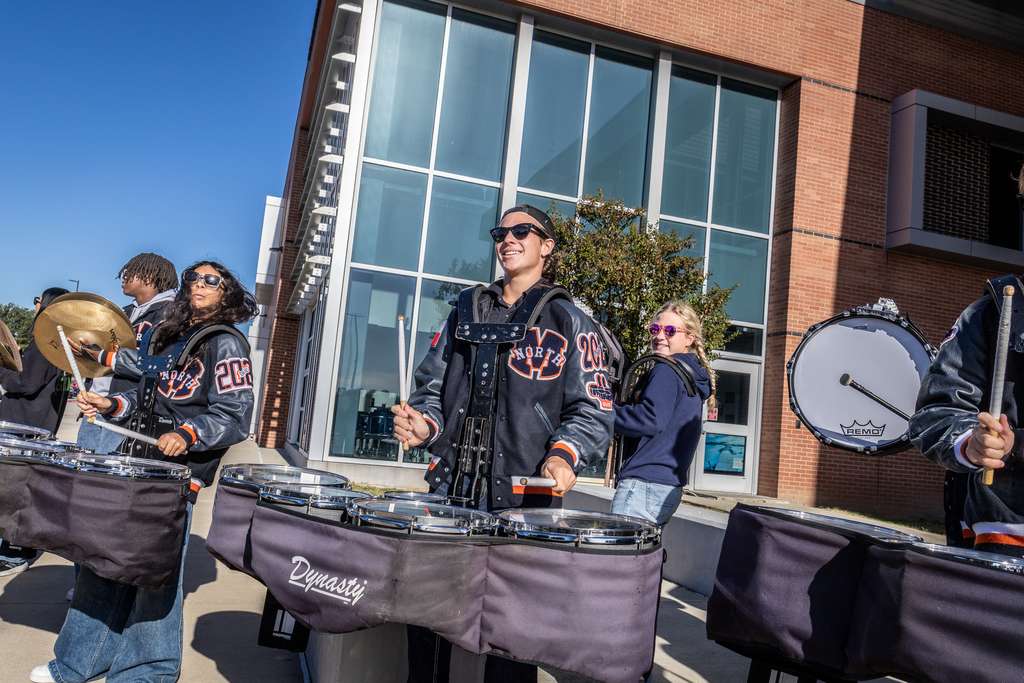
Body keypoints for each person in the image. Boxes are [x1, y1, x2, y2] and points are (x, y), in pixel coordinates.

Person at [392, 204, 615, 683]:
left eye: (522, 231)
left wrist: (564, 454)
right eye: (501, 232)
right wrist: (424, 426)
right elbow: (432, 389)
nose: (508, 239)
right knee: (426, 619)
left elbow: (594, 408)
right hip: (450, 488)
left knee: (513, 638)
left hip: (526, 497)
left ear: (546, 246)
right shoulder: (464, 309)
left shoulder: (570, 319)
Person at [31, 262, 258, 683]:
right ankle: (79, 662)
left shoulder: (225, 344)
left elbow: (235, 413)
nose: (200, 285)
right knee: (102, 561)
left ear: (227, 291)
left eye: (213, 280)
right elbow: (144, 395)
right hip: (134, 463)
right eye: (194, 278)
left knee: (154, 579)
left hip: (174, 477)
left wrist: (189, 433)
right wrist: (110, 406)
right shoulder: (169, 337)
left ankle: (146, 671)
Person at [610, 301, 714, 526]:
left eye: (670, 331)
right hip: (667, 488)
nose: (659, 336)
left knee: (619, 559)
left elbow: (649, 419)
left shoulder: (666, 369)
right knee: (642, 558)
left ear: (689, 338)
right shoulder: (691, 376)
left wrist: (604, 411)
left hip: (644, 484)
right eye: (655, 329)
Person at [76, 253, 178, 454]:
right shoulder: (122, 313)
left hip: (128, 412)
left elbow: (160, 368)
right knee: (82, 472)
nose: (123, 276)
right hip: (95, 406)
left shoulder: (171, 315)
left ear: (149, 276)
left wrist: (104, 356)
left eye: (130, 271)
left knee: (108, 477)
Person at [0, 287, 70, 577]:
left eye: (39, 300)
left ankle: (15, 551)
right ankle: (18, 547)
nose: (36, 305)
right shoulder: (64, 345)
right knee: (22, 489)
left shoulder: (45, 342)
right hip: (39, 425)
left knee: (12, 490)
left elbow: (27, 383)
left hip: (23, 425)